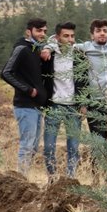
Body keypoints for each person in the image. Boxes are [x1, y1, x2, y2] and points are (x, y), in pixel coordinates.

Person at [0, 18, 52, 174]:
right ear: (29, 31)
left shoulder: (36, 49)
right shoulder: (22, 48)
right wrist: (28, 90)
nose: (42, 34)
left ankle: (24, 177)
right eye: (39, 30)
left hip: (37, 106)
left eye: (44, 31)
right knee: (27, 145)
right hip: (25, 105)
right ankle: (21, 179)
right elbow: (5, 72)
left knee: (34, 147)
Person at [43, 22, 89, 181]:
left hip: (73, 107)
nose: (70, 39)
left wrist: (83, 103)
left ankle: (70, 179)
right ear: (57, 37)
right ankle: (52, 177)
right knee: (49, 146)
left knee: (74, 147)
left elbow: (84, 80)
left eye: (72, 36)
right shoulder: (50, 56)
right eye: (66, 36)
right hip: (54, 105)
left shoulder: (78, 56)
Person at [75, 19, 107, 140]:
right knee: (98, 138)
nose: (102, 33)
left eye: (105, 31)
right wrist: (48, 48)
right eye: (98, 31)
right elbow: (64, 46)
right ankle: (98, 153)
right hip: (95, 101)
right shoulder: (86, 47)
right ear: (92, 35)